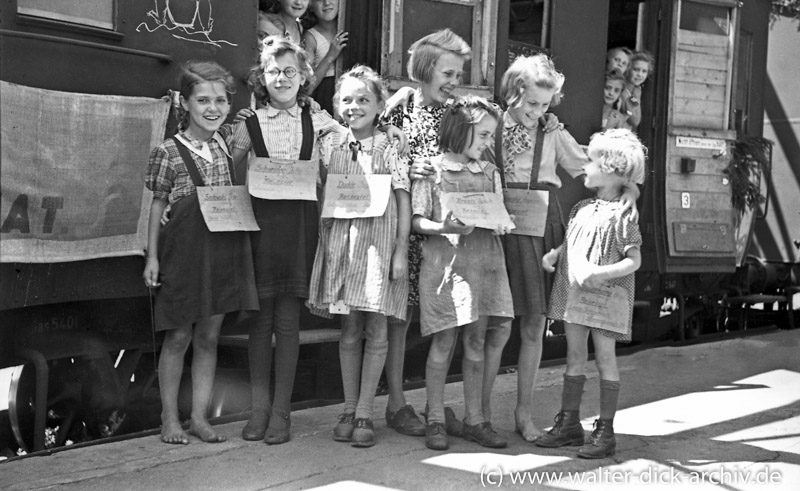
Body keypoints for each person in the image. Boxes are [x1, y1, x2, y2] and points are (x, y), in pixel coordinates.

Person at [229, 37, 406, 445]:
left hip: (299, 230)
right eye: (273, 72)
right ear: (261, 77)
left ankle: (281, 414)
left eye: (291, 71)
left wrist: (391, 128)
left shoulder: (320, 123)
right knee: (260, 323)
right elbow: (226, 163)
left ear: (305, 77)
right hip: (259, 229)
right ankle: (258, 411)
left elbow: (356, 131)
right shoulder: (247, 122)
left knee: (287, 322)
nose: (282, 78)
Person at [483, 54, 640, 442]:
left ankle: (523, 413)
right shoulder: (491, 127)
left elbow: (598, 167)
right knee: (497, 326)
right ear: (513, 93)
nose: (538, 112)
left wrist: (632, 186)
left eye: (545, 105)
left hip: (540, 228)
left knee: (534, 324)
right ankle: (481, 416)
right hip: (496, 227)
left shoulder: (553, 132)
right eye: (532, 103)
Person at [143, 61, 259, 445]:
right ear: (186, 103)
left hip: (222, 252)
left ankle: (199, 418)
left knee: (209, 337)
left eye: (221, 100)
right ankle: (169, 419)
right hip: (184, 254)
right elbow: (158, 206)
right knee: (178, 337)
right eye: (203, 100)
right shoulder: (168, 151)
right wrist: (153, 258)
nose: (213, 108)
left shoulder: (225, 144)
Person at [307, 65, 410, 448]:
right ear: (336, 105)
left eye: (364, 99)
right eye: (346, 100)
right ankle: (349, 408)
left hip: (379, 246)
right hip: (344, 247)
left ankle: (366, 410)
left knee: (377, 328)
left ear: (380, 104)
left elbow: (403, 196)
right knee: (349, 329)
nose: (354, 106)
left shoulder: (391, 145)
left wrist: (400, 250)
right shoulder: (330, 144)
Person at [381, 28, 472, 440]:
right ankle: (397, 403)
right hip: (405, 224)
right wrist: (409, 164)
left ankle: (434, 404)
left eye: (458, 74)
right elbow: (378, 151)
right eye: (448, 73)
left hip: (442, 227)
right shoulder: (400, 104)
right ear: (424, 69)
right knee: (398, 318)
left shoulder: (458, 111)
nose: (454, 82)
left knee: (438, 319)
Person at [535, 128, 645, 459]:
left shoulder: (624, 215)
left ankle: (605, 431)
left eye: (591, 160)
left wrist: (601, 273)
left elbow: (635, 260)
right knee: (574, 356)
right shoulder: (581, 207)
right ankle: (569, 424)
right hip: (575, 296)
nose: (585, 165)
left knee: (606, 360)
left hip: (604, 302)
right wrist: (556, 254)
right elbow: (574, 242)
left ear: (610, 168)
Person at [412, 95, 514, 451]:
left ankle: (475, 419)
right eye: (483, 135)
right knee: (443, 341)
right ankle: (436, 418)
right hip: (445, 269)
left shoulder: (489, 172)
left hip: (483, 266)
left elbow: (498, 212)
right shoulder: (431, 170)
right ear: (460, 129)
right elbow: (417, 220)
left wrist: (501, 224)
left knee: (475, 341)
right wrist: (442, 227)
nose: (488, 144)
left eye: (490, 137)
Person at [303, 0, 348, 114]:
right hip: (324, 99)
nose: (327, 3)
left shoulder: (350, 29)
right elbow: (307, 88)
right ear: (311, 6)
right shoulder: (311, 37)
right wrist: (330, 56)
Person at [618, 50, 654, 132]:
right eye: (636, 70)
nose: (640, 75)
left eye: (644, 71)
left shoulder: (634, 90)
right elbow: (635, 120)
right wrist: (637, 96)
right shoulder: (623, 90)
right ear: (628, 69)